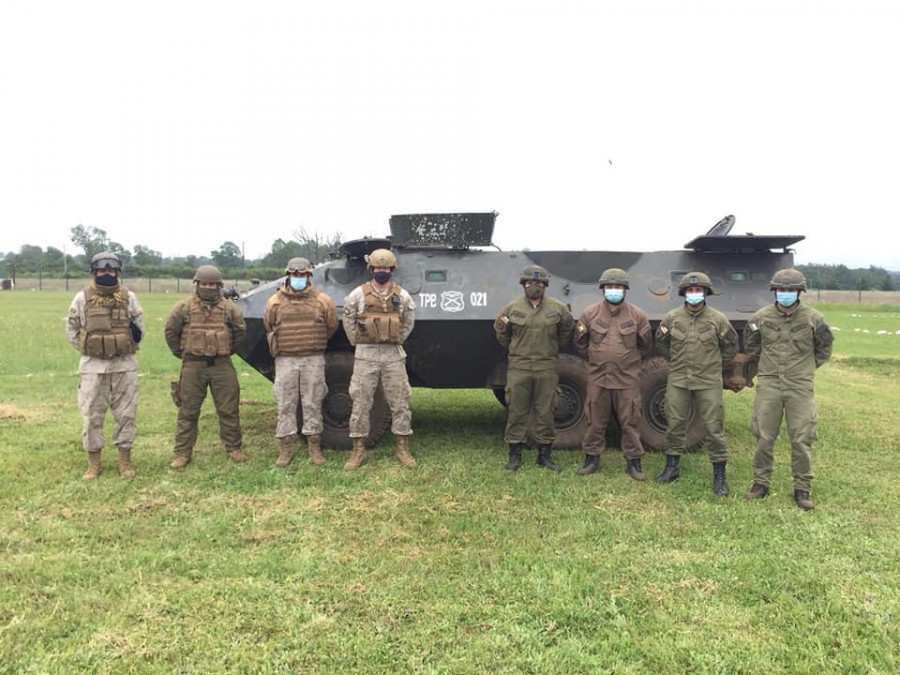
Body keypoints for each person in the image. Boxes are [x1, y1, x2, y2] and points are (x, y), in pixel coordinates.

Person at [743, 269, 833, 510]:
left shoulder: (814, 318)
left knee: (801, 438)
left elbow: (824, 348)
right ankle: (761, 483)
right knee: (764, 436)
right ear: (774, 291)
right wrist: (766, 366)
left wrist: (806, 369)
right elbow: (751, 345)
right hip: (770, 384)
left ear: (799, 292)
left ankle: (802, 488)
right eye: (781, 290)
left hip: (799, 386)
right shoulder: (760, 318)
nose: (785, 294)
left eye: (790, 290)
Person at [655, 272, 737, 495]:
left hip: (708, 381)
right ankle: (672, 468)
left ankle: (719, 475)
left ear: (705, 293)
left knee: (713, 427)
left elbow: (730, 347)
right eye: (690, 291)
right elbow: (661, 343)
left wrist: (714, 364)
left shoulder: (718, 319)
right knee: (674, 424)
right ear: (684, 294)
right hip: (679, 379)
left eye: (698, 290)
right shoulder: (672, 318)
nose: (694, 294)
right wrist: (677, 361)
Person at [66, 251, 144, 479]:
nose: (107, 273)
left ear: (118, 272)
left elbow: (140, 329)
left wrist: (123, 345)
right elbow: (71, 331)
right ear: (94, 272)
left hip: (124, 365)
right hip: (93, 367)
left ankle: (124, 462)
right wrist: (91, 349)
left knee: (127, 414)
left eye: (111, 270)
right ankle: (94, 464)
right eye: (102, 269)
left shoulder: (129, 297)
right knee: (91, 414)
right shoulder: (82, 298)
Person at [164, 265, 247, 468]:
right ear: (197, 284)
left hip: (222, 365)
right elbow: (171, 332)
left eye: (212, 284)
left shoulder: (229, 309)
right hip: (193, 366)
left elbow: (240, 333)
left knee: (229, 409)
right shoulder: (183, 308)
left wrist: (225, 351)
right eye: (204, 283)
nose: (208, 287)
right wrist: (183, 353)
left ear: (219, 285)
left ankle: (233, 448)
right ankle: (182, 453)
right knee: (188, 411)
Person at [341, 248, 417, 469]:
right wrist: (358, 341)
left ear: (391, 270)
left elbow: (409, 321)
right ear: (371, 269)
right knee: (361, 402)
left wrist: (397, 338)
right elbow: (348, 319)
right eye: (377, 268)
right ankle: (358, 451)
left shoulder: (401, 295)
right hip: (366, 355)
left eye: (385, 268)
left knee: (400, 401)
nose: (381, 271)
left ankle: (402, 448)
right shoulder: (358, 294)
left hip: (393, 355)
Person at [573, 268, 652, 479]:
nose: (614, 290)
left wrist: (625, 360)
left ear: (625, 289)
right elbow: (580, 343)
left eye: (618, 287)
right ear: (603, 289)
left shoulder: (638, 315)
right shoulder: (589, 314)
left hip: (627, 379)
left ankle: (634, 462)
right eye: (610, 287)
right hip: (598, 378)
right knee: (595, 421)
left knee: (631, 422)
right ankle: (592, 459)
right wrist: (598, 357)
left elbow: (645, 345)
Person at [495, 265, 575, 471]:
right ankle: (514, 455)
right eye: (530, 283)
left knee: (546, 411)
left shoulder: (557, 308)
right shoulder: (512, 309)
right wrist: (517, 349)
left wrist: (552, 347)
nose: (534, 287)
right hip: (519, 367)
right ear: (523, 285)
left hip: (546, 367)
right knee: (516, 411)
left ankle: (545, 456)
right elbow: (502, 333)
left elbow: (567, 329)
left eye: (539, 283)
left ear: (545, 285)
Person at [263, 257, 338, 468]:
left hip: (312, 359)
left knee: (313, 402)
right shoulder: (275, 302)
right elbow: (269, 325)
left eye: (302, 274)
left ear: (309, 276)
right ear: (288, 276)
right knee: (286, 403)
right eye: (294, 275)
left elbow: (330, 326)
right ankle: (286, 448)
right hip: (286, 359)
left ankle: (314, 446)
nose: (298, 278)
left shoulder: (323, 300)